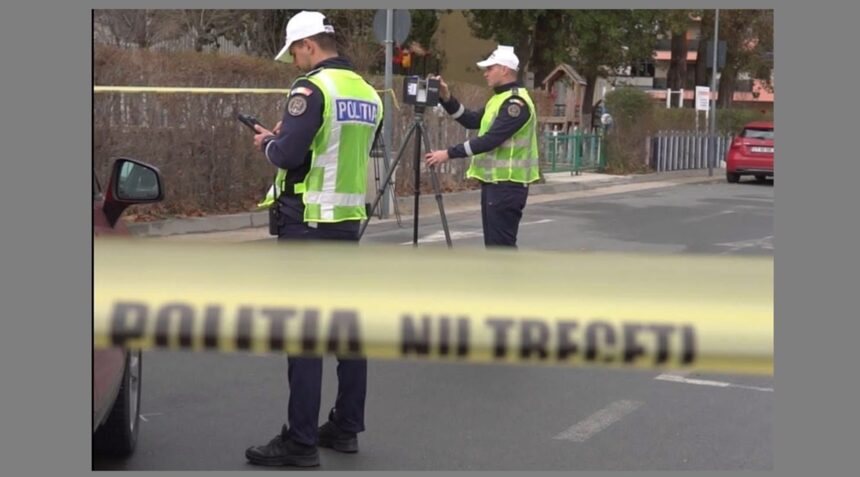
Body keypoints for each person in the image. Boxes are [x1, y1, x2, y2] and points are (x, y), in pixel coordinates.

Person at [245, 11, 383, 468]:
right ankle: (345, 428)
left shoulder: (311, 89)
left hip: (307, 223)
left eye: (294, 52)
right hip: (346, 222)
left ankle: (301, 441)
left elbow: (287, 155)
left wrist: (269, 142)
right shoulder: (367, 93)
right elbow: (341, 150)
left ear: (308, 45)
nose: (294, 62)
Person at [425, 45, 540, 248]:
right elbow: (470, 120)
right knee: (495, 248)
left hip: (507, 185)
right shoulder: (499, 99)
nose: (485, 73)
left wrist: (448, 153)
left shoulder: (516, 103)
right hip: (496, 185)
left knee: (500, 248)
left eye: (490, 68)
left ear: (504, 70)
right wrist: (446, 98)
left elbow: (490, 140)